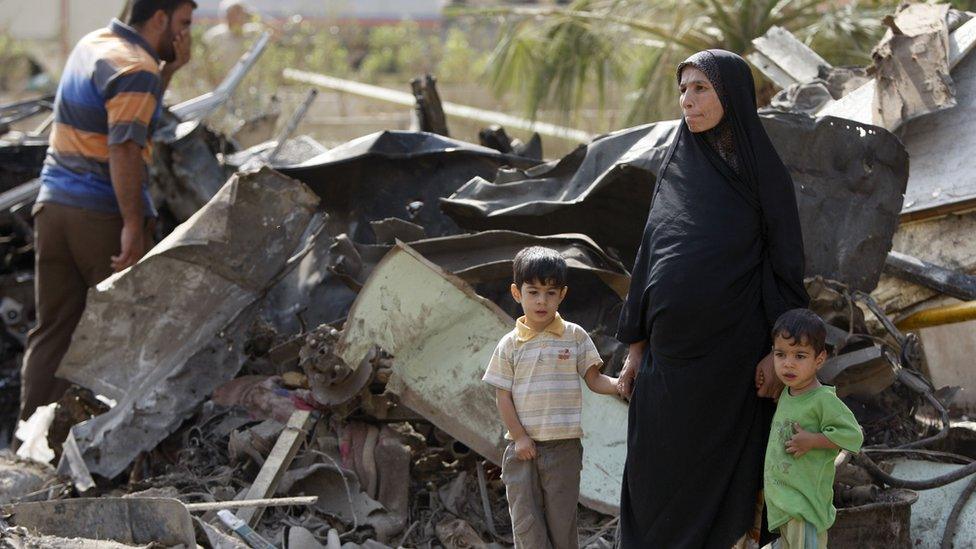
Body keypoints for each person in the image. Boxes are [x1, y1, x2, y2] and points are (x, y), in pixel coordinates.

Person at [615, 49, 809, 548]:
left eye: (701, 88)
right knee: (653, 480)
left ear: (732, 95)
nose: (687, 99)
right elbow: (648, 259)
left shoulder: (765, 177)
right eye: (683, 89)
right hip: (665, 367)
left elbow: (785, 269)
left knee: (721, 495)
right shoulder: (676, 168)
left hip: (731, 369)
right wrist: (635, 349)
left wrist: (777, 351)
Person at [18, 0, 196, 425]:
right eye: (184, 24)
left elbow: (134, 114)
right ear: (159, 19)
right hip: (97, 217)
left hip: (54, 207)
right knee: (135, 329)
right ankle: (125, 443)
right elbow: (125, 147)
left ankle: (29, 442)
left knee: (53, 331)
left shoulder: (96, 44)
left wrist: (169, 69)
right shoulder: (137, 68)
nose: (187, 36)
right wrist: (133, 225)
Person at [482, 246, 619, 549]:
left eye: (550, 292)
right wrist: (519, 437)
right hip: (522, 450)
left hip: (563, 449)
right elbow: (502, 395)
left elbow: (594, 379)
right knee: (528, 527)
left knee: (562, 525)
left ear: (562, 294)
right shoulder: (509, 345)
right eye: (533, 292)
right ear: (517, 293)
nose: (541, 301)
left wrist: (620, 385)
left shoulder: (575, 336)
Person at [764, 309, 863, 549]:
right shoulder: (788, 392)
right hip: (784, 504)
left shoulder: (823, 400)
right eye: (780, 354)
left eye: (799, 356)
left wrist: (812, 441)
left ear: (819, 359)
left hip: (805, 507)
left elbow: (853, 435)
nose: (788, 363)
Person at [202, 0, 264, 75]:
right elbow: (208, 65)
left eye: (242, 13)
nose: (240, 17)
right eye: (236, 13)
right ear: (226, 16)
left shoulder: (253, 33)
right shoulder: (214, 37)